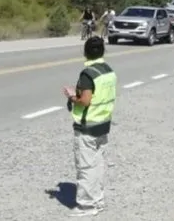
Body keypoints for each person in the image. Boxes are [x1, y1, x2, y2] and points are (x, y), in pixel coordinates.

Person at [62, 36, 117, 217]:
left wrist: (72, 97)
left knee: (86, 167)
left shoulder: (88, 74)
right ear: (102, 51)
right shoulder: (108, 71)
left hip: (87, 126)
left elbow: (85, 100)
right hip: (103, 123)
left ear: (85, 52)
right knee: (98, 165)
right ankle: (98, 200)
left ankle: (87, 205)